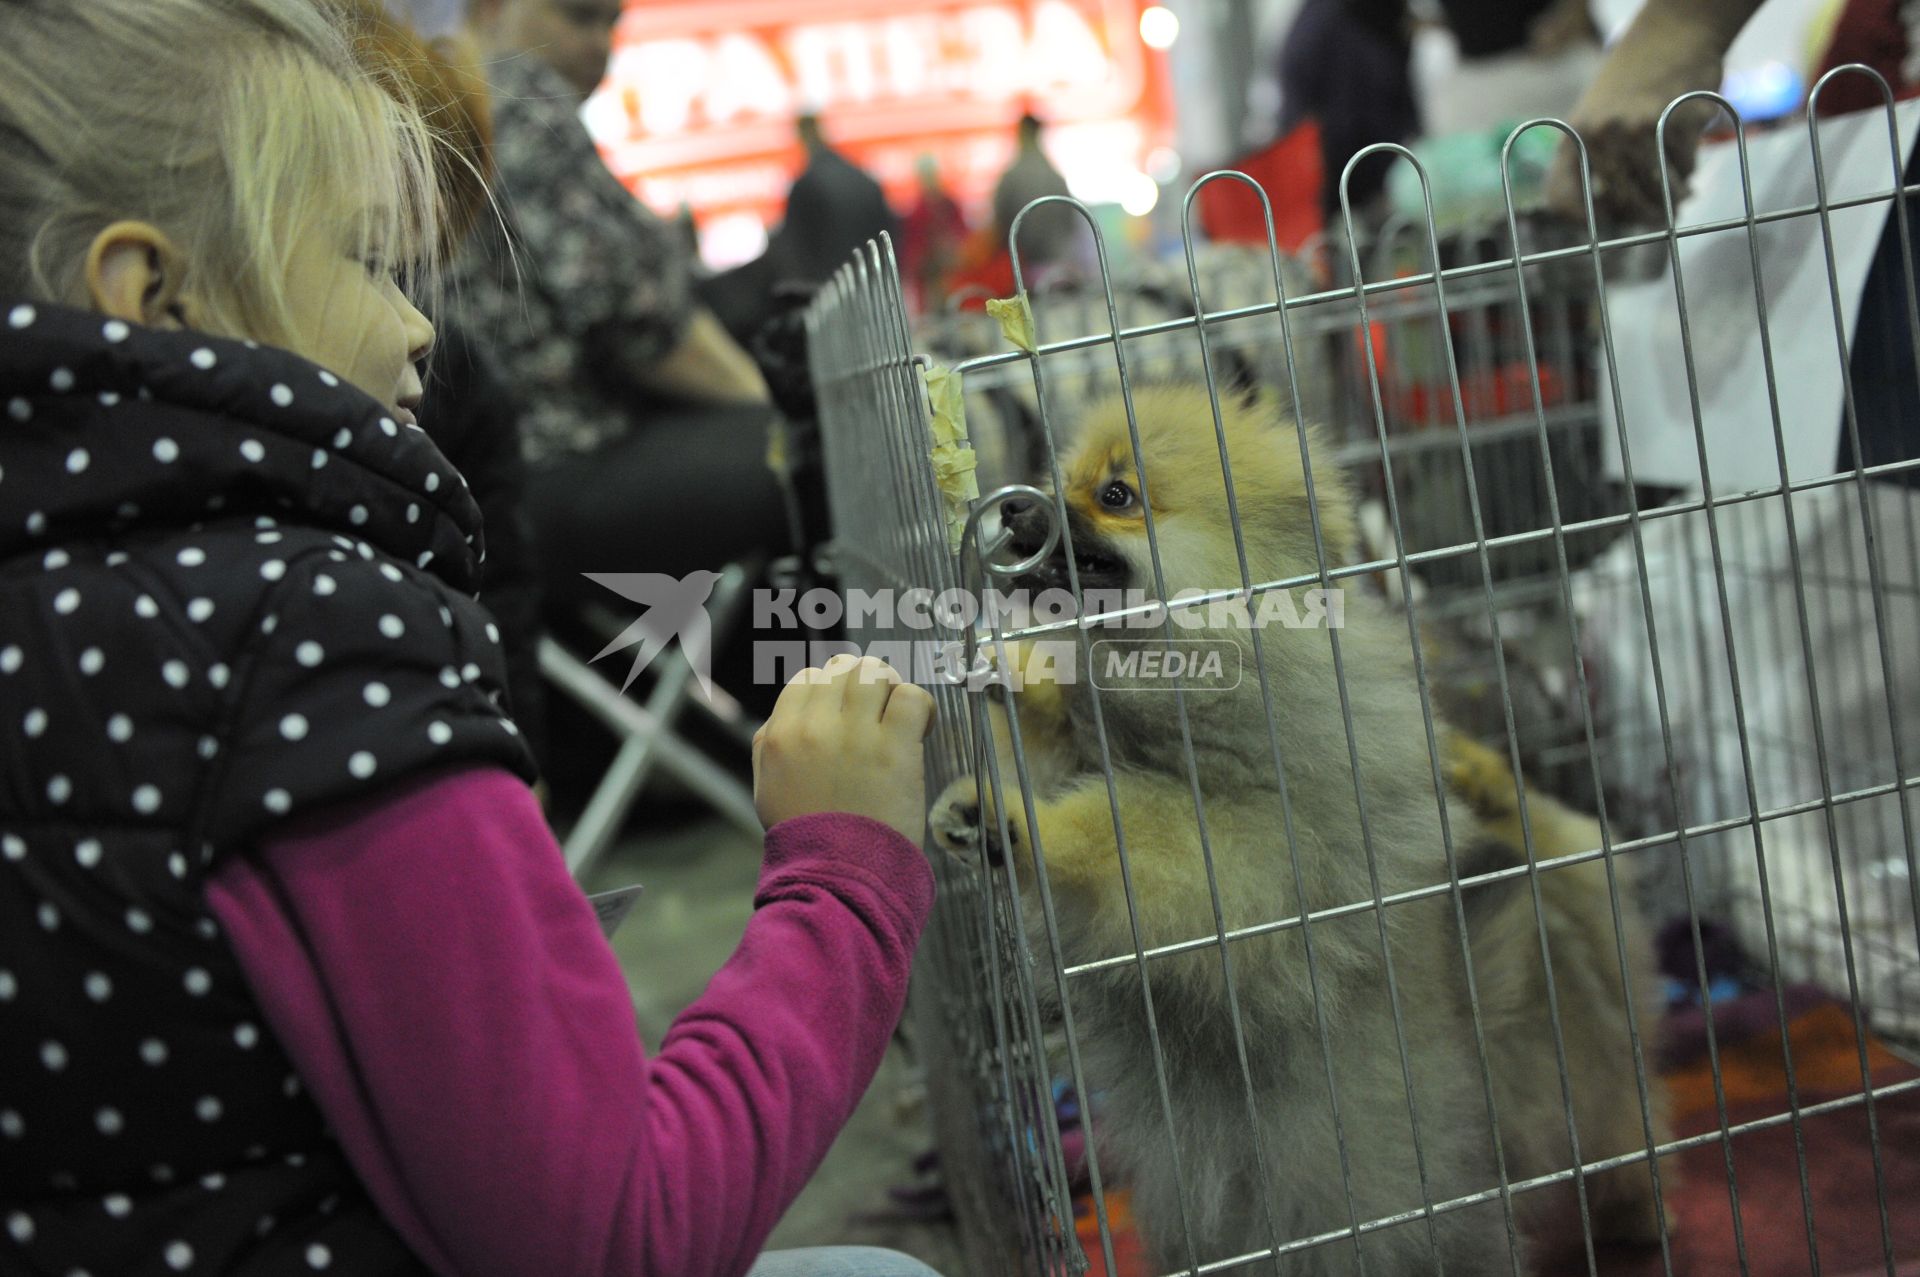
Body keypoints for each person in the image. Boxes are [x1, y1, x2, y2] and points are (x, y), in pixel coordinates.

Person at [0, 6, 945, 1277]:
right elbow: (620, 1234)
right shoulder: (309, 630)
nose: (420, 328)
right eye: (371, 261)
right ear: (152, 292)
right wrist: (845, 868)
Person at [454, 0, 792, 616]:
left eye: (611, 23)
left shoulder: (472, 98)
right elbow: (641, 328)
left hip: (509, 483)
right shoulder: (518, 98)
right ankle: (838, 692)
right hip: (553, 474)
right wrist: (773, 406)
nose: (601, 43)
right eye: (579, 17)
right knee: (816, 450)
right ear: (493, 9)